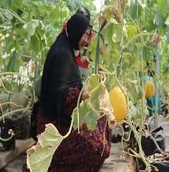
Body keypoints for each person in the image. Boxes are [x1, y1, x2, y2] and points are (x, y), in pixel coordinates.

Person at [27, 11, 112, 171]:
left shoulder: (64, 47)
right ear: (75, 31)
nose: (87, 41)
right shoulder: (62, 55)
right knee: (95, 146)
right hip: (53, 123)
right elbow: (61, 96)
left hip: (60, 117)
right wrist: (87, 95)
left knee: (103, 121)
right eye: (85, 36)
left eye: (88, 36)